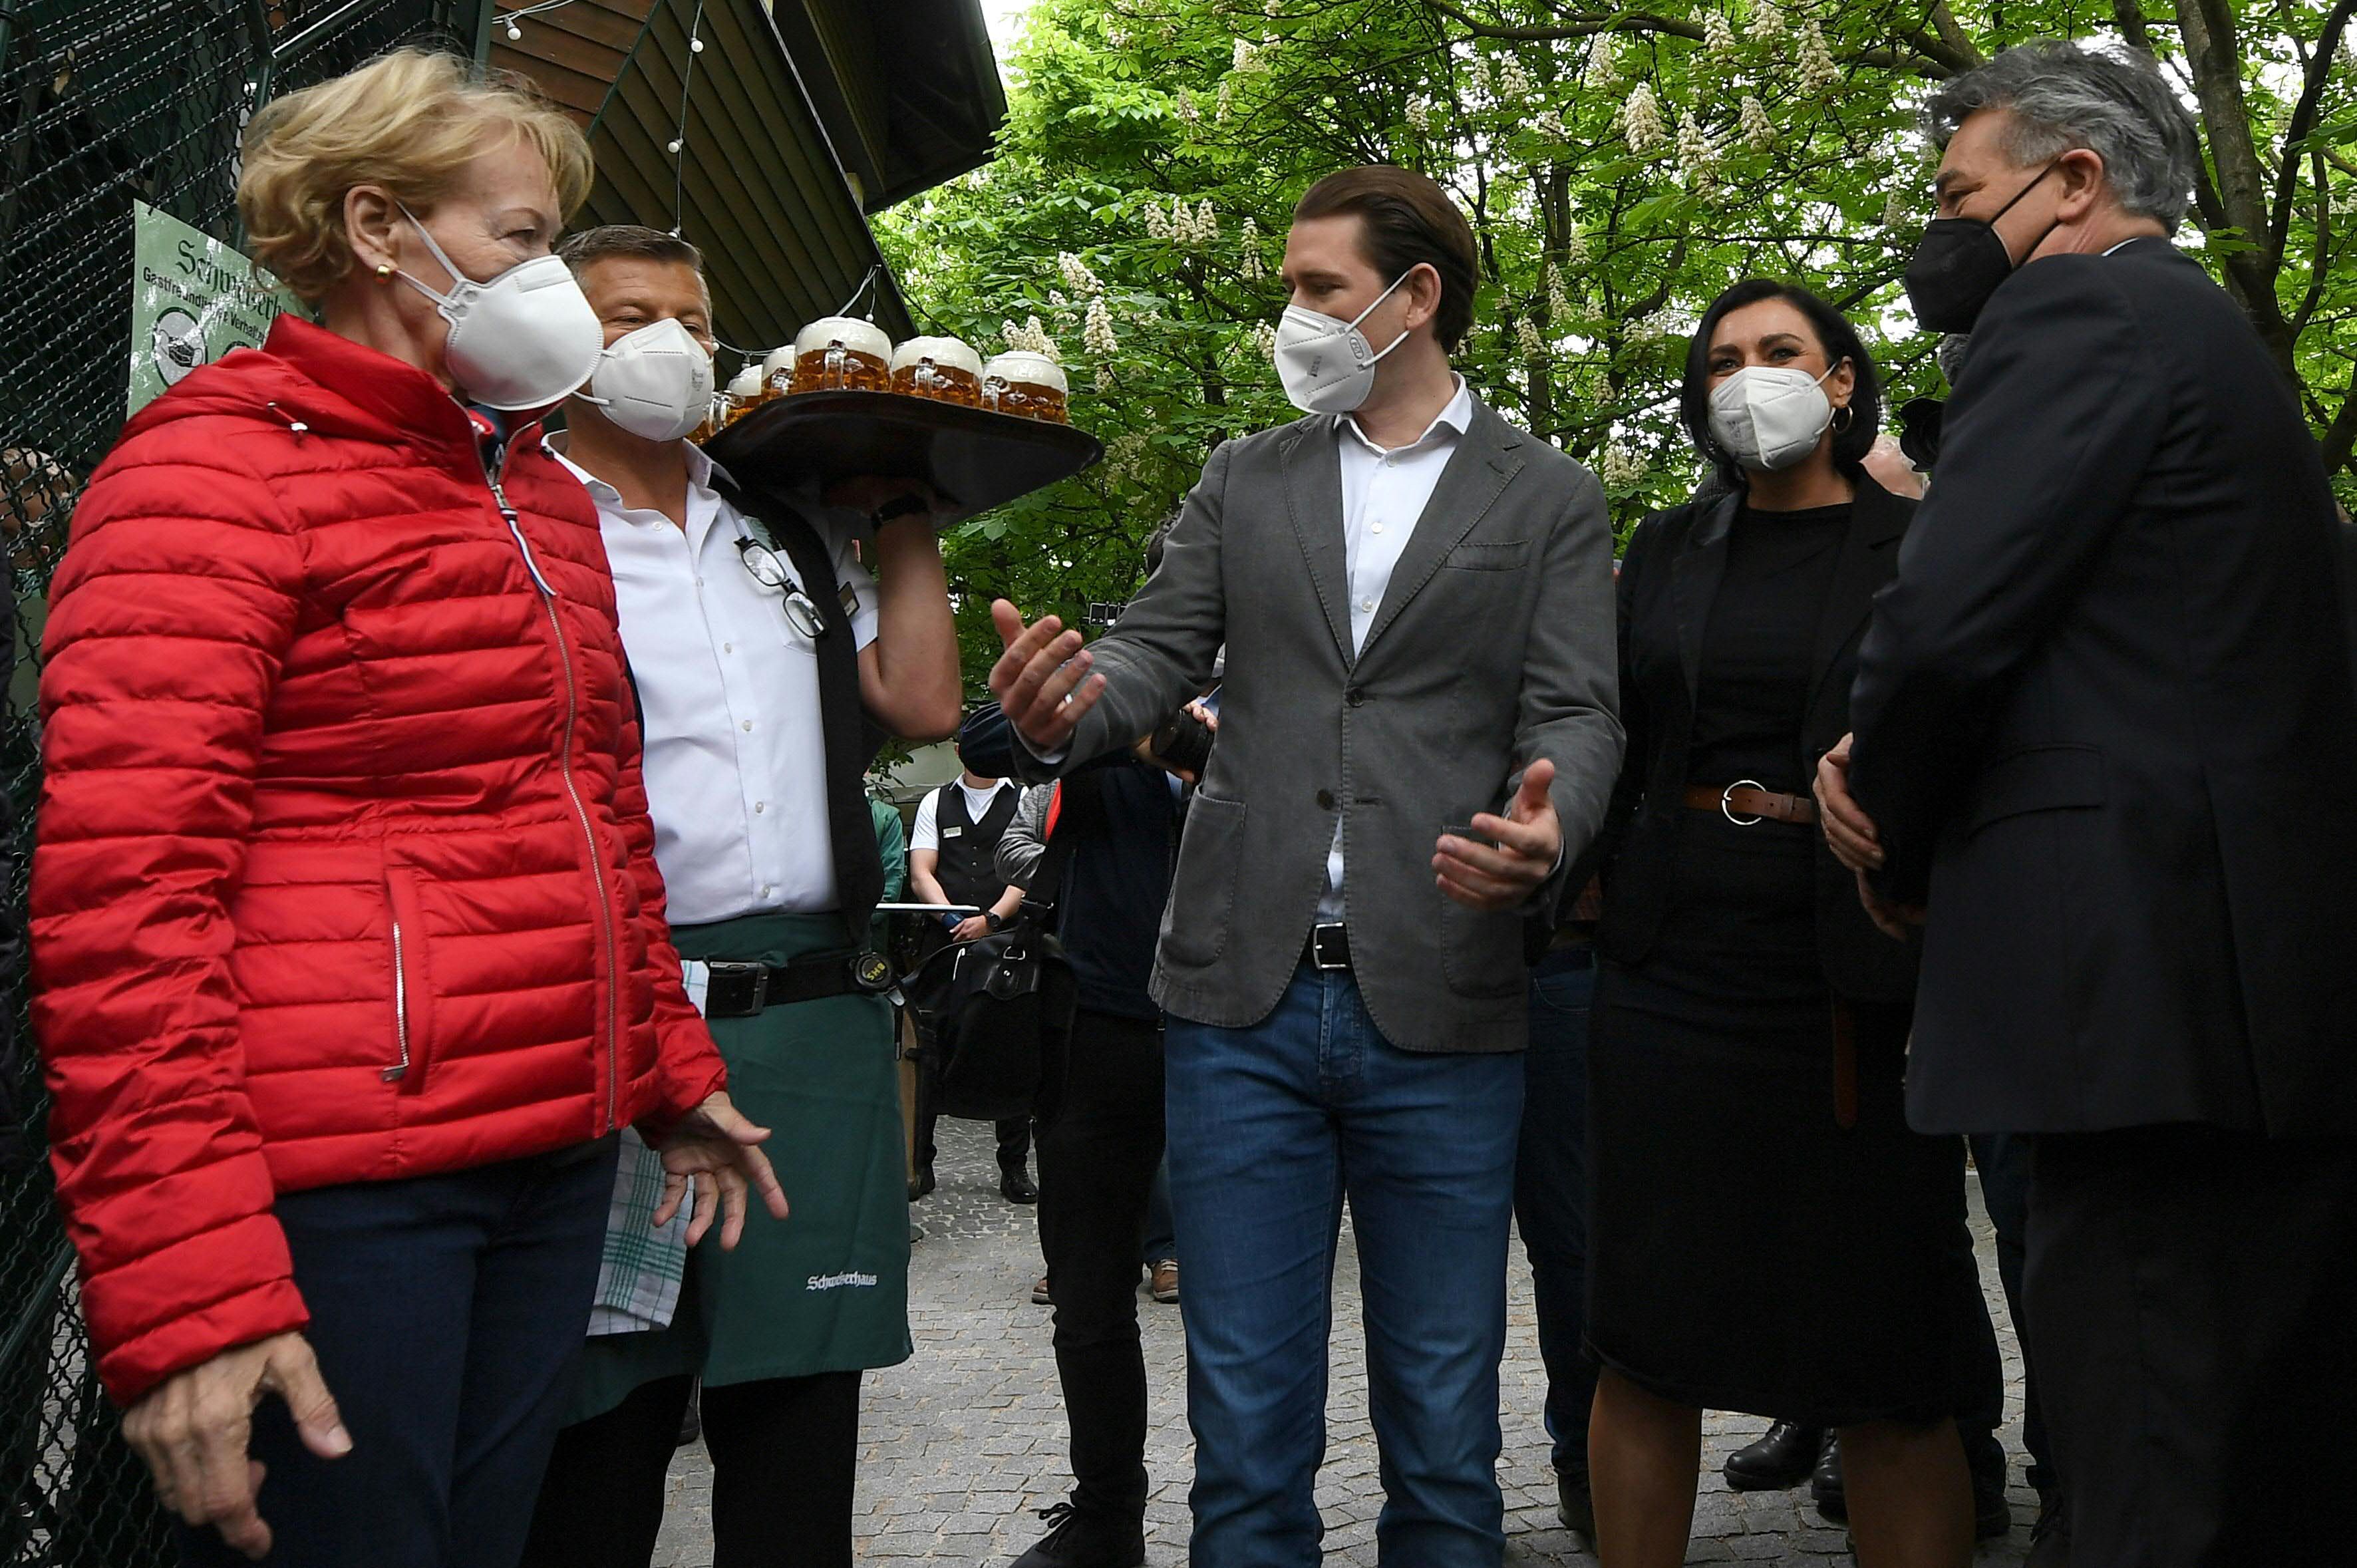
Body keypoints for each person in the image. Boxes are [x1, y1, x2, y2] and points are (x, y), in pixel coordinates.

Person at [28, 53, 784, 1568]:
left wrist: (664, 1065)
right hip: (347, 1187)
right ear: (378, 226)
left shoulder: (537, 486)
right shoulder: (208, 471)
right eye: (520, 239)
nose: (550, 281)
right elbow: (123, 894)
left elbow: (592, 815)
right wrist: (188, 1288)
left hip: (551, 1151)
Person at [989, 164, 1621, 1565]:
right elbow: (1155, 652)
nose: (1293, 315)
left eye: (1317, 288)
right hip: (1236, 1007)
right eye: (1291, 286)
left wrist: (1551, 826)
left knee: (1448, 1441)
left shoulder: (1548, 495)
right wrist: (1069, 708)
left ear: (1413, 298)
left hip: (1448, 1000)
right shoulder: (1245, 474)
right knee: (1248, 1443)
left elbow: (1577, 709)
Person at [1819, 40, 2357, 1567]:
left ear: (2074, 181)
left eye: (1956, 190)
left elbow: (1939, 623)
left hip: (2126, 1014)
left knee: (2140, 1475)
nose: (1939, 228)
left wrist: (1886, 821)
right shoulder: (2210, 346)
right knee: (2271, 1473)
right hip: (2259, 1014)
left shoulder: (2076, 307)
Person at [517, 224, 960, 1568]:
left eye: (689, 318)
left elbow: (924, 702)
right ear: (552, 335)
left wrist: (898, 506)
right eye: (623, 314)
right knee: (607, 1422)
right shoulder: (515, 517)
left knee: (800, 1413)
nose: (665, 342)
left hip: (811, 1021)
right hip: (617, 1014)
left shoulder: (785, 523)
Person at [1585, 279, 1990, 1568]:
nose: (1743, 375)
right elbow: (1612, 740)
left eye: (1777, 351)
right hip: (1667, 980)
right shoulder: (1661, 548)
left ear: (1837, 379)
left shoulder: (1925, 541)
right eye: (1719, 360)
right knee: (1645, 1342)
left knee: (1886, 1363)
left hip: (1850, 989)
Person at [963, 667, 1197, 1567]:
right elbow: (986, 742)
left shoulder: (1281, 678)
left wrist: (1179, 742)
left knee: (1248, 1305)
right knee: (1090, 1296)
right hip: (1098, 1034)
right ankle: (1107, 1517)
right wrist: (1114, 713)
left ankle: (1250, 1513)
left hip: (1248, 1035)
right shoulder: (1110, 704)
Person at [907, 756, 1036, 1203]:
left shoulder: (1024, 797)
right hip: (942, 944)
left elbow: (1029, 869)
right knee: (927, 1048)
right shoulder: (934, 800)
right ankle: (920, 1162)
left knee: (1014, 1046)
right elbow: (922, 869)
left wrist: (993, 917)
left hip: (1007, 942)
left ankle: (1014, 1167)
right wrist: (949, 916)